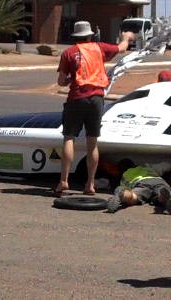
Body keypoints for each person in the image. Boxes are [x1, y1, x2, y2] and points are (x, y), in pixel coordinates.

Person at [55, 21, 134, 196]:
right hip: (97, 99)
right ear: (90, 35)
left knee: (69, 138)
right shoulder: (100, 48)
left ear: (75, 36)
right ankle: (90, 184)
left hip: (76, 98)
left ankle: (64, 181)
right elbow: (121, 48)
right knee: (92, 142)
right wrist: (126, 37)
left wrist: (69, 80)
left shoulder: (69, 53)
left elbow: (61, 81)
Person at [106, 160, 171, 215]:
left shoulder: (125, 175)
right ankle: (164, 196)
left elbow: (126, 186)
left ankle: (123, 194)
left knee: (134, 196)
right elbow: (166, 165)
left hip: (141, 183)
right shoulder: (146, 167)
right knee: (160, 192)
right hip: (158, 180)